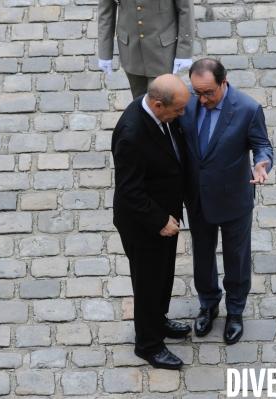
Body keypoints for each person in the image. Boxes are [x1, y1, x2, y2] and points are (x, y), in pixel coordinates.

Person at [178, 59, 273, 344]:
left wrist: (262, 165)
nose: (202, 99)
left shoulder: (247, 108)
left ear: (224, 83)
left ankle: (235, 310)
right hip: (197, 197)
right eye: (198, 92)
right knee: (203, 254)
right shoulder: (187, 102)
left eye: (209, 93)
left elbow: (262, 145)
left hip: (234, 198)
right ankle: (208, 304)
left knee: (236, 257)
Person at [111, 74, 191, 369]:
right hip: (144, 225)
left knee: (163, 275)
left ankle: (158, 320)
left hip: (165, 215)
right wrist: (159, 221)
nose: (183, 114)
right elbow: (130, 190)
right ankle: (148, 344)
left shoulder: (155, 114)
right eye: (178, 110)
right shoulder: (132, 135)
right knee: (147, 284)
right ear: (158, 105)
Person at [98, 0, 194, 99]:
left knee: (161, 101)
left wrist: (184, 52)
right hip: (131, 50)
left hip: (163, 51)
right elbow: (106, 14)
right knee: (139, 102)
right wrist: (104, 53)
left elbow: (185, 10)